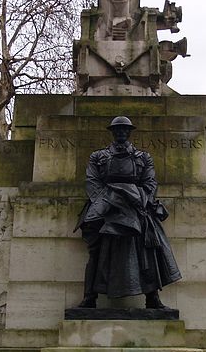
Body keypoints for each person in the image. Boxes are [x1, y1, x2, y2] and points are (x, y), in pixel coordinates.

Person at [75, 116, 181, 309]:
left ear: (129, 132)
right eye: (118, 130)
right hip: (105, 207)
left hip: (136, 206)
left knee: (149, 248)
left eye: (125, 130)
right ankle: (89, 297)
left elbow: (150, 184)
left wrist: (136, 199)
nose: (121, 133)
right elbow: (92, 182)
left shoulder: (143, 157)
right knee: (96, 252)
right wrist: (110, 202)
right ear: (113, 132)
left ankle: (152, 298)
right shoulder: (98, 156)